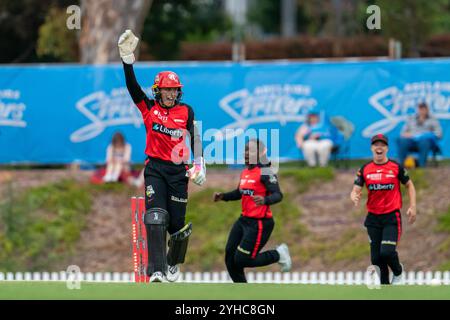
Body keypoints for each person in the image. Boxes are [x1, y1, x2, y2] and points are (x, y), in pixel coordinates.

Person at [118, 30, 206, 282]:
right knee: (156, 218)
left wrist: (199, 164)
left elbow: (195, 137)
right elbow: (132, 87)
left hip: (179, 172)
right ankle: (156, 269)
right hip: (155, 168)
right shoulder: (148, 108)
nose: (170, 94)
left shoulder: (186, 111)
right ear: (158, 91)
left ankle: (172, 262)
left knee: (177, 227)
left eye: (174, 90)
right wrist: (127, 60)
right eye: (166, 90)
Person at [213, 139, 291, 283]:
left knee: (242, 259)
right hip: (244, 220)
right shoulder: (245, 172)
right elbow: (240, 193)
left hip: (260, 223)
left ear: (261, 153)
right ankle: (242, 291)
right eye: (246, 150)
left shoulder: (266, 171)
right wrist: (223, 196)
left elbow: (278, 195)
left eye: (251, 151)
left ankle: (278, 254)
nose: (246, 153)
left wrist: (265, 200)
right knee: (230, 257)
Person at [350, 134, 417, 285]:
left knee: (386, 252)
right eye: (376, 145)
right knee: (376, 259)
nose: (379, 147)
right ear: (372, 148)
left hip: (391, 217)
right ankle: (385, 288)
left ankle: (398, 271)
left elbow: (409, 185)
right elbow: (355, 189)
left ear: (386, 148)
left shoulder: (396, 167)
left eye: (382, 145)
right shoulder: (365, 169)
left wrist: (413, 206)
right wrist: (354, 195)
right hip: (373, 218)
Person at [397, 102, 442, 167]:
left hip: (425, 141)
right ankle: (401, 165)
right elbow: (402, 133)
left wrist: (426, 135)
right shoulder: (411, 118)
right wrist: (409, 135)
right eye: (420, 109)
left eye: (424, 109)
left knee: (425, 142)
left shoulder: (433, 119)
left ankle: (421, 165)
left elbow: (439, 133)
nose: (422, 111)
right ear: (418, 110)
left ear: (427, 110)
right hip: (411, 140)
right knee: (402, 141)